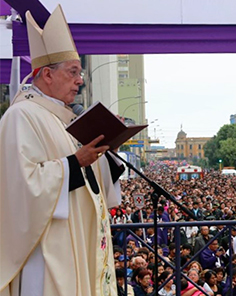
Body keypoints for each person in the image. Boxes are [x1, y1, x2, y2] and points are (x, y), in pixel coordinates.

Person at [0, 6, 125, 296]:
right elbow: (20, 186)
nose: (79, 81)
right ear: (46, 75)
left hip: (78, 238)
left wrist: (107, 150)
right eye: (72, 73)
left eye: (79, 73)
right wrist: (74, 163)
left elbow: (94, 181)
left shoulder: (64, 117)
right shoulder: (22, 116)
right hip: (46, 247)